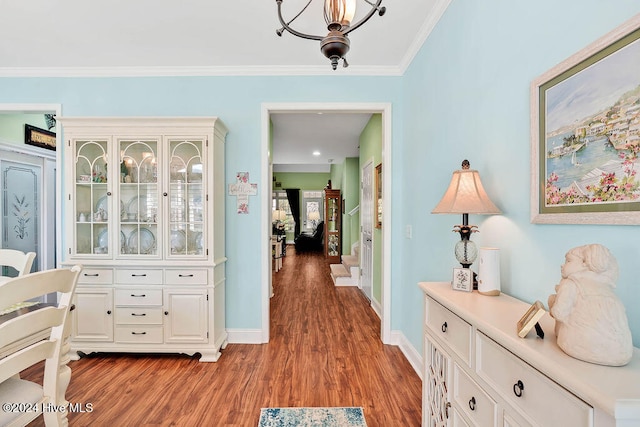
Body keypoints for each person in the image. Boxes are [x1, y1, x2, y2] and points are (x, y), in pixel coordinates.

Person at [548, 244, 632, 366]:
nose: (562, 265)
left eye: (568, 261)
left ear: (584, 264)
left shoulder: (571, 283)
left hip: (580, 346)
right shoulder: (606, 288)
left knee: (553, 303)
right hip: (622, 353)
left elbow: (559, 313)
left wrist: (552, 304)